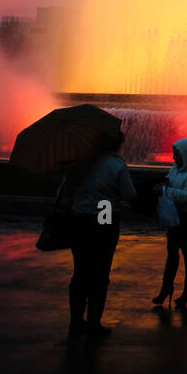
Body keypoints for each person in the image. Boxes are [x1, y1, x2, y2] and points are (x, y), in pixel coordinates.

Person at [61, 130, 137, 338]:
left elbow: (65, 192)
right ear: (116, 145)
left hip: (80, 221)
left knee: (80, 271)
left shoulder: (79, 163)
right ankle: (94, 322)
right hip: (104, 223)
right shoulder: (117, 166)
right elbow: (129, 194)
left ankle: (76, 320)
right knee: (100, 273)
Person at [153, 137, 187, 309]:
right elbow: (170, 184)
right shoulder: (176, 169)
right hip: (176, 217)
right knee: (172, 254)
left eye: (177, 155)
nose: (174, 158)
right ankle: (167, 287)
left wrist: (167, 191)